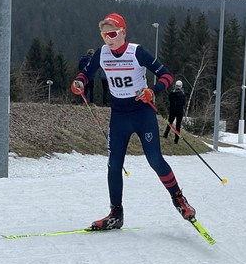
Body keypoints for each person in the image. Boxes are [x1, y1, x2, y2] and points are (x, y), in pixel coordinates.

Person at [71, 13, 195, 230]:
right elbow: (86, 73)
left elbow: (165, 75)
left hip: (142, 113)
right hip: (119, 115)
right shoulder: (102, 54)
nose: (108, 39)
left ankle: (179, 200)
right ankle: (115, 213)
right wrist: (79, 83)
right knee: (113, 165)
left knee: (155, 159)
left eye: (112, 34)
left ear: (123, 33)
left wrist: (152, 91)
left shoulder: (136, 52)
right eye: (103, 34)